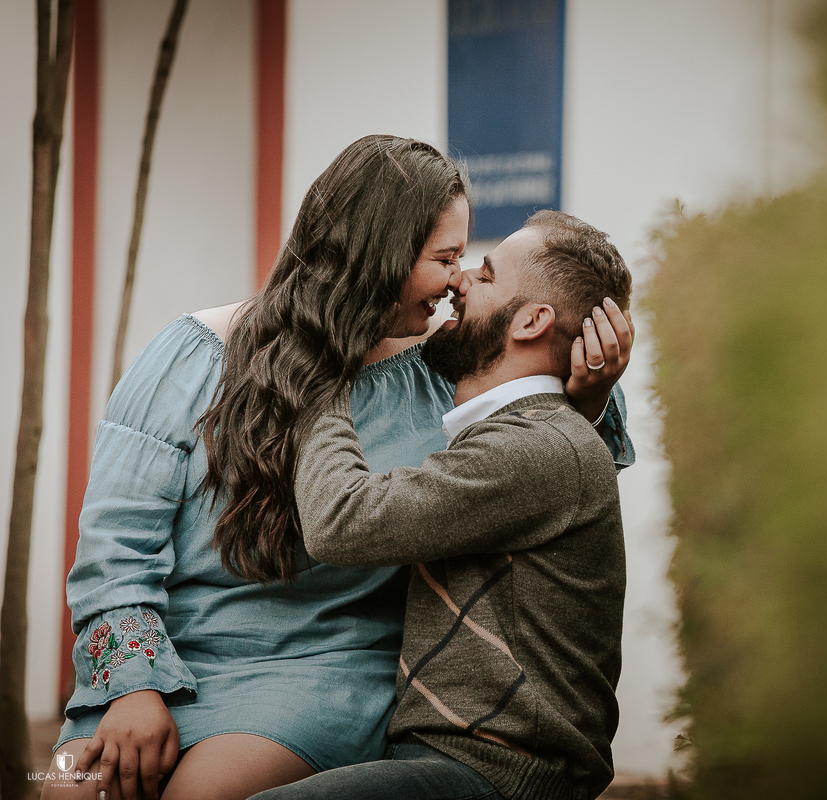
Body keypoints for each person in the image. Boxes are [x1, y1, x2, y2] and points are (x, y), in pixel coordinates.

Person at [42, 137, 634, 800]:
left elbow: (545, 466)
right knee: (67, 793)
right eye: (444, 258)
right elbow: (112, 546)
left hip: (323, 673)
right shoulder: (194, 353)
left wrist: (588, 397)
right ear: (375, 257)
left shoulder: (446, 369)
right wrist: (133, 686)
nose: (457, 280)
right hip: (161, 662)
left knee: (197, 796)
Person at [250, 209, 631, 800]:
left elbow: (340, 521)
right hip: (452, 761)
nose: (459, 282)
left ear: (531, 320)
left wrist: (319, 371)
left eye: (484, 274)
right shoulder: (534, 437)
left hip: (495, 775)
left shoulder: (538, 446)